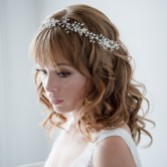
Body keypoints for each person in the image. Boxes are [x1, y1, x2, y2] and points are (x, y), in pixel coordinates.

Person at [29, 4, 153, 167]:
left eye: (63, 73)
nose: (48, 86)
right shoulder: (73, 120)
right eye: (43, 71)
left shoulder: (109, 145)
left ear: (98, 73)